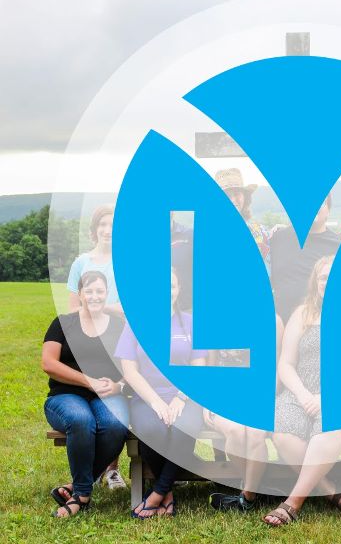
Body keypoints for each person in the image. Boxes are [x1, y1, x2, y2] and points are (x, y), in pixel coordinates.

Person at [264, 256, 341, 526]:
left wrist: (327, 397)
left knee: (328, 431)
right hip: (300, 391)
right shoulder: (302, 314)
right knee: (282, 434)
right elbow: (286, 364)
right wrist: (303, 395)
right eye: (323, 277)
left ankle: (292, 503)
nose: (328, 282)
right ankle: (329, 490)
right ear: (315, 282)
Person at [207, 167, 277, 512]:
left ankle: (248, 494)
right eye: (227, 194)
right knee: (235, 429)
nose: (233, 199)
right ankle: (251, 487)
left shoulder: (259, 232)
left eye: (238, 194)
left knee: (253, 428)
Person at [116, 269, 207, 519]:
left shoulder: (190, 322)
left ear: (178, 290)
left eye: (172, 286)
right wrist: (156, 401)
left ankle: (157, 494)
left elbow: (199, 367)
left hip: (186, 397)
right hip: (147, 397)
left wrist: (180, 397)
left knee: (183, 429)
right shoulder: (136, 323)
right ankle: (166, 493)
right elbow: (130, 371)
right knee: (151, 431)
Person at [42, 271, 129, 518]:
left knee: (116, 424)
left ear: (107, 294)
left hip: (108, 394)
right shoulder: (63, 323)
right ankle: (81, 495)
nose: (94, 296)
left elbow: (134, 365)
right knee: (82, 420)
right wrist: (88, 381)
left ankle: (77, 487)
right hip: (65, 395)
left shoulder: (118, 327)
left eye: (99, 291)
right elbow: (48, 363)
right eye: (88, 291)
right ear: (80, 294)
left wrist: (119, 386)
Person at [66, 204, 126, 489]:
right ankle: (90, 472)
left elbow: (129, 309)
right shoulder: (81, 263)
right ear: (95, 229)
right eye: (103, 224)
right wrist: (96, 310)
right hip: (88, 339)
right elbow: (72, 309)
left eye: (113, 225)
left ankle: (112, 469)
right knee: (91, 398)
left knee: (117, 399)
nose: (108, 230)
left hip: (118, 337)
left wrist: (102, 308)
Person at [270, 194, 340, 324]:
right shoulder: (278, 238)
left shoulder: (338, 246)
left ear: (328, 211)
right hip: (279, 325)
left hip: (316, 326)